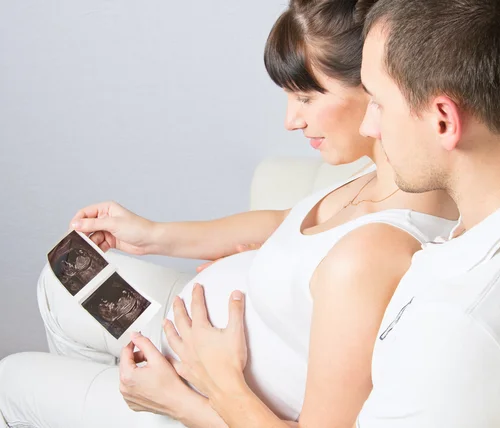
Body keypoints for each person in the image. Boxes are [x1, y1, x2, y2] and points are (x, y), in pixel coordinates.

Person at [114, 0, 500, 427]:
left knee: (35, 383)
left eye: (380, 104)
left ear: (444, 120)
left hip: (209, 381)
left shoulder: (455, 325)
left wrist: (211, 386)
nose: (371, 125)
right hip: (205, 354)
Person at [0, 1, 459, 427]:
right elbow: (289, 222)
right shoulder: (383, 176)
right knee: (60, 279)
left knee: (9, 383)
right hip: (193, 344)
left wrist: (173, 399)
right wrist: (150, 235)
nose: (291, 120)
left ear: (375, 83)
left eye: (306, 96)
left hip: (203, 398)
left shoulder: (378, 250)